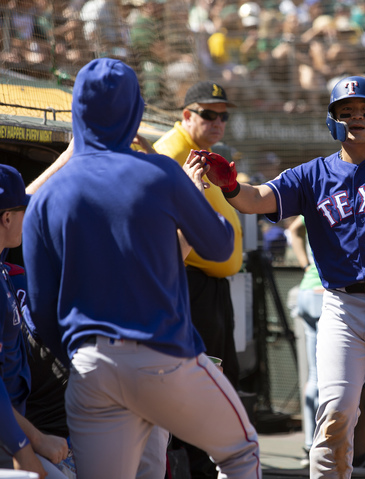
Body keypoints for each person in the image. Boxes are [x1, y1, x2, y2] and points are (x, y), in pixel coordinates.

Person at [21, 57, 260, 479]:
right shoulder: (160, 172)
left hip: (90, 365)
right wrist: (196, 198)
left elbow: (42, 310)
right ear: (135, 111)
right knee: (241, 453)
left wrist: (80, 354)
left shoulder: (46, 195)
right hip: (163, 356)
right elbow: (221, 246)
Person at [203, 75, 365, 479]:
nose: (356, 117)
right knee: (336, 410)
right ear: (332, 121)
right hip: (342, 305)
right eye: (346, 112)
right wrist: (231, 186)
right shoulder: (312, 175)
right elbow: (256, 200)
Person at [154, 80, 244, 479]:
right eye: (209, 114)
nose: (218, 121)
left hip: (212, 288)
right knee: (200, 383)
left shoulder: (202, 154)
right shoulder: (171, 152)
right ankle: (197, 469)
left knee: (221, 378)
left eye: (223, 115)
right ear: (186, 115)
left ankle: (211, 464)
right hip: (186, 282)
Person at [0, 164, 68, 479]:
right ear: (7, 218)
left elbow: (22, 195)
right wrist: (28, 447)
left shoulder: (3, 267)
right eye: (22, 211)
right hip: (12, 437)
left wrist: (68, 157)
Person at [287, 215, 323, 466]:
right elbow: (294, 230)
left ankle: (311, 444)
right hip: (322, 292)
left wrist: (305, 265)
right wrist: (306, 264)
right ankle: (318, 447)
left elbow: (294, 230)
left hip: (308, 291)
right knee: (326, 378)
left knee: (316, 377)